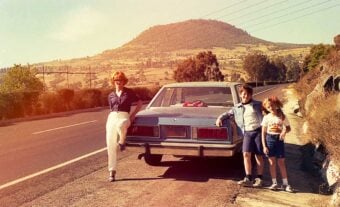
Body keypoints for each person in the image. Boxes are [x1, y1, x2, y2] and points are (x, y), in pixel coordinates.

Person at [216, 84, 264, 187]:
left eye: (248, 94)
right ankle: (248, 177)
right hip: (246, 133)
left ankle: (260, 178)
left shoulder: (258, 104)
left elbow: (271, 111)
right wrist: (219, 118)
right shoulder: (236, 107)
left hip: (258, 132)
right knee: (246, 154)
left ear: (251, 95)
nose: (246, 96)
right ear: (240, 94)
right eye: (244, 94)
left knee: (258, 155)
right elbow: (227, 114)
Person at [106, 71, 142, 182]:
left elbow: (140, 102)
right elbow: (111, 109)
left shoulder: (129, 92)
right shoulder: (111, 95)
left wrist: (133, 115)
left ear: (124, 81)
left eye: (120, 80)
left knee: (122, 125)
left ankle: (122, 142)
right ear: (113, 81)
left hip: (124, 116)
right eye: (116, 80)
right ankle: (112, 171)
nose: (118, 82)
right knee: (110, 145)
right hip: (112, 117)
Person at [261, 96, 294, 192]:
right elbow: (263, 133)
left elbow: (288, 128)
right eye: (268, 107)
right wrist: (264, 146)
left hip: (279, 140)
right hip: (269, 140)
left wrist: (284, 132)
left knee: (281, 162)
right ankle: (274, 183)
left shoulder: (282, 116)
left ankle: (285, 184)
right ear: (266, 108)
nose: (271, 108)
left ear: (276, 104)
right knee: (272, 163)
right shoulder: (266, 118)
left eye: (272, 105)